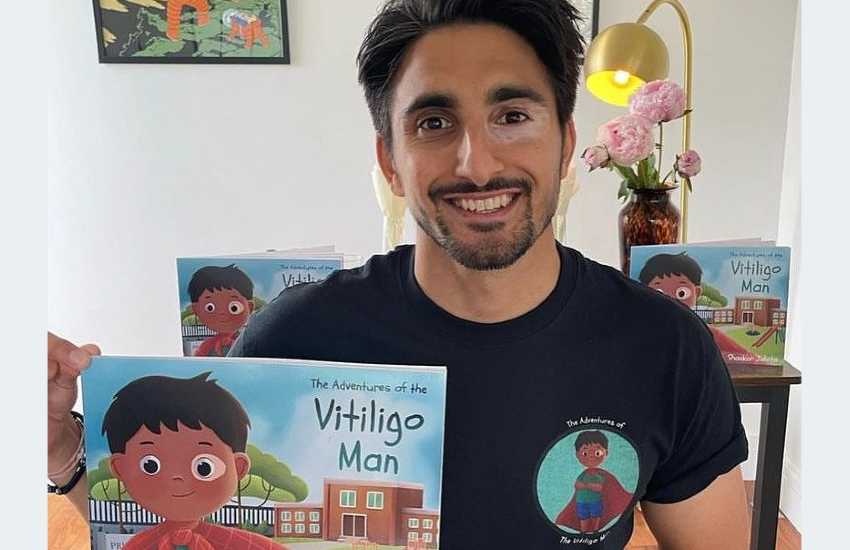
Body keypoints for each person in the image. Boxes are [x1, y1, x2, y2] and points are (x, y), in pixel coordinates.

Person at [48, 1, 750, 548]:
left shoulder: (665, 347)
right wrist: (62, 450)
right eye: (434, 123)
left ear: (567, 143)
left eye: (512, 114)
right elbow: (184, 515)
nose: (477, 162)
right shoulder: (296, 337)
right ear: (390, 160)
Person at [101, 373, 285, 549]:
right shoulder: (139, 545)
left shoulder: (238, 543)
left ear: (238, 467)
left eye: (203, 467)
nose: (176, 477)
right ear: (120, 468)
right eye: (150, 466)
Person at [638, 252, 759, 363]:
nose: (671, 301)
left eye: (682, 293)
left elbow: (751, 359)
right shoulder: (641, 333)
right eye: (659, 293)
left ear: (697, 293)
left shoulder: (706, 333)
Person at [555, 431, 633, 534]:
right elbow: (577, 485)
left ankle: (595, 530)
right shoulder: (583, 474)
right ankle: (583, 532)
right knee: (583, 517)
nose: (591, 456)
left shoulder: (601, 474)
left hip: (595, 501)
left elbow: (599, 487)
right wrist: (583, 485)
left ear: (606, 452)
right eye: (585, 453)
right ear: (577, 454)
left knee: (596, 516)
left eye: (597, 453)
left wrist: (587, 486)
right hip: (581, 502)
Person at [187, 264, 255, 357]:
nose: (222, 313)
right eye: (210, 308)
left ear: (250, 307)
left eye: (234, 307)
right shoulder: (207, 345)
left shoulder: (250, 340)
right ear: (196, 309)